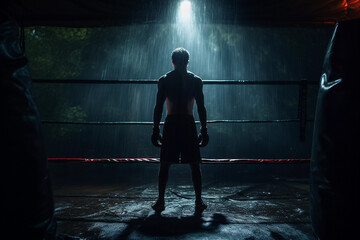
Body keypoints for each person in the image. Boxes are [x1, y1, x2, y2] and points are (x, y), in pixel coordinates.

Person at [151, 47, 209, 215]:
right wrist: (204, 130)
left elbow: (158, 107)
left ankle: (161, 201)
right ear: (187, 62)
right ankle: (198, 201)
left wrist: (155, 129)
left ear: (173, 62)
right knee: (194, 164)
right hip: (187, 122)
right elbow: (201, 108)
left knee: (165, 164)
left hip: (171, 122)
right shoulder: (195, 80)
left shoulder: (165, 80)